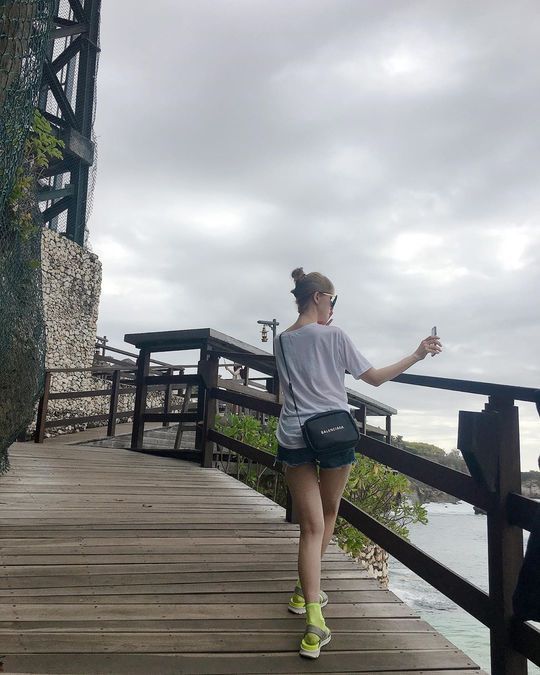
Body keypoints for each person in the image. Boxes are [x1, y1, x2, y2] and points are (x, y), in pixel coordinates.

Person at [274, 267, 442, 659]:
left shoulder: (281, 340)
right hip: (333, 434)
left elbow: (290, 387)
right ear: (319, 297)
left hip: (294, 436)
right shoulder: (334, 336)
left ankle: (311, 614)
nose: (333, 308)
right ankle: (304, 595)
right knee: (328, 513)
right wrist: (418, 353)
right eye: (332, 300)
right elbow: (375, 379)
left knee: (310, 527)